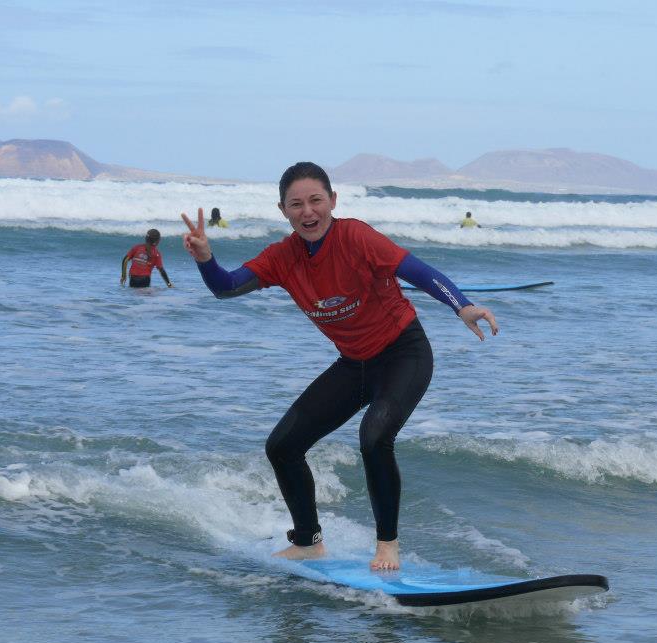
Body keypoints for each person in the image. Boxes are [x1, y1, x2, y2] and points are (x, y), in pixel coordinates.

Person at [181, 162, 498, 571]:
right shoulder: (282, 258)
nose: (307, 211)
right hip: (355, 365)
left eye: (316, 200)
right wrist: (206, 258)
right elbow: (226, 288)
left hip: (404, 354)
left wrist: (462, 306)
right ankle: (308, 541)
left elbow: (417, 271)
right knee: (282, 447)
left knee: (374, 436)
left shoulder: (357, 237)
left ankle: (387, 546)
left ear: (333, 201)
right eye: (296, 204)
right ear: (283, 210)